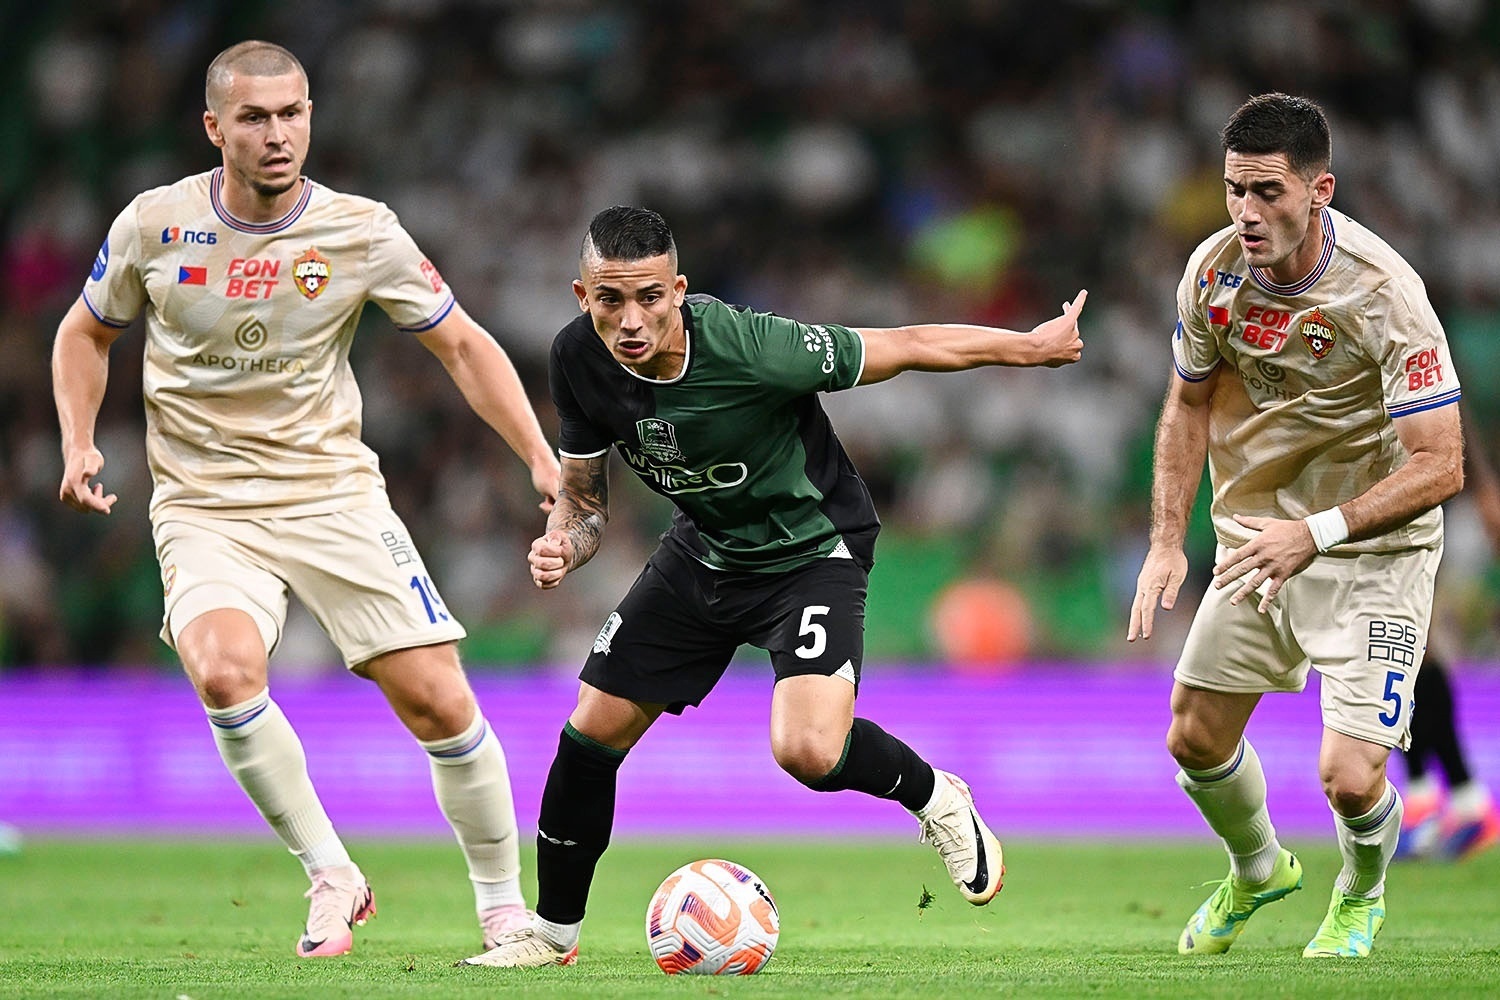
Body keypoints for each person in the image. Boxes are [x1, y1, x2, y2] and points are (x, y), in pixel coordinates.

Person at [460, 205, 1086, 967]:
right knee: (590, 733)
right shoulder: (577, 357)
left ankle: (935, 796)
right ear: (581, 295)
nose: (630, 320)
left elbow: (908, 344)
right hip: (704, 550)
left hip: (812, 551)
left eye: (650, 297)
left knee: (809, 752)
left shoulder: (752, 347)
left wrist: (1030, 347)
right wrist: (567, 543)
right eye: (609, 300)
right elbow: (585, 500)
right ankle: (552, 934)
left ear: (678, 290)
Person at [52, 41, 559, 958]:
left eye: (291, 113)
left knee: (439, 703)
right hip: (204, 505)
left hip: (332, 495)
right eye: (254, 117)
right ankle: (331, 873)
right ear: (215, 128)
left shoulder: (361, 232)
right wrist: (79, 439)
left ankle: (503, 911)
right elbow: (84, 333)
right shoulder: (154, 224)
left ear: (312, 116)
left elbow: (461, 344)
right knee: (223, 671)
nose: (277, 133)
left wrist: (537, 454)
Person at [1127, 93, 1465, 959]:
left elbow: (1442, 465)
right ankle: (1257, 869)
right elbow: (1186, 405)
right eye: (1234, 189)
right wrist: (1166, 540)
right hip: (1258, 541)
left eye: (1268, 192)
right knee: (1194, 737)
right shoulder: (1212, 274)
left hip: (1374, 552)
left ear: (1321, 191)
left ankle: (1361, 894)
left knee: (1349, 778)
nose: (1246, 212)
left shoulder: (1385, 293)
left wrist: (1315, 532)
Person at [1397, 420, 1500, 860]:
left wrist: (1484, 486)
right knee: (1409, 647)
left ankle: (1436, 800)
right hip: (1387, 491)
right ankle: (1452, 798)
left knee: (1410, 644)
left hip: (1420, 492)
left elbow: (1451, 403)